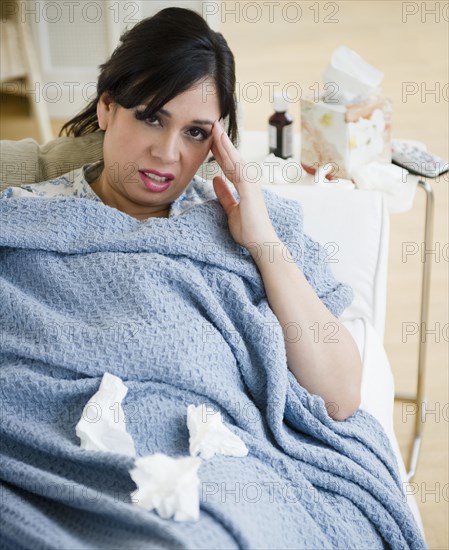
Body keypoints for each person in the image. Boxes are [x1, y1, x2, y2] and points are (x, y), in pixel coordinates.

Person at [2, 7, 362, 421]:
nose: (167, 154)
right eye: (152, 118)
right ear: (106, 107)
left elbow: (339, 396)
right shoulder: (25, 216)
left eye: (195, 132)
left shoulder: (247, 227)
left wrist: (263, 244)